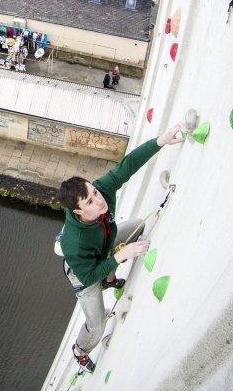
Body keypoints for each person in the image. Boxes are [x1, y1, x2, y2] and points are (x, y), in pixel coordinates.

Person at [57, 123, 185, 372]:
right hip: (84, 274)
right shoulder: (74, 242)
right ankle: (80, 351)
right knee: (98, 325)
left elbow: (126, 166)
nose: (100, 200)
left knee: (137, 227)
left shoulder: (101, 191)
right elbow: (88, 274)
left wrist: (159, 141)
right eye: (91, 201)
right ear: (79, 211)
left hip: (104, 248)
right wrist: (120, 256)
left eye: (95, 192)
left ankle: (110, 278)